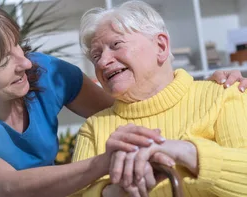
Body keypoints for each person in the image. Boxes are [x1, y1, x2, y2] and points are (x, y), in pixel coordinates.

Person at [0, 1, 247, 197]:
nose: (25, 63)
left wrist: (209, 90)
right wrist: (108, 170)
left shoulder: (46, 72)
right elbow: (9, 187)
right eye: (3, 62)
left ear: (162, 45)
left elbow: (136, 110)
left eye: (17, 47)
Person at [71, 1, 247, 197]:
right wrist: (113, 192)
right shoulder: (94, 128)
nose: (103, 62)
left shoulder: (224, 94)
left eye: (116, 45)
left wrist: (188, 152)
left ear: (161, 46)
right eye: (96, 56)